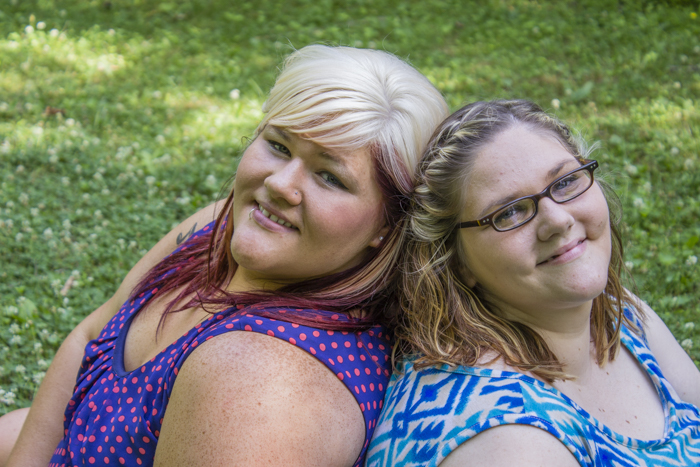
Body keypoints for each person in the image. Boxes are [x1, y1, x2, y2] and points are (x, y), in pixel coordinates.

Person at [0, 44, 448, 467]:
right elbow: (90, 336)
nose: (279, 184)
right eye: (279, 145)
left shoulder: (264, 382)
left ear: (388, 225)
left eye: (330, 177)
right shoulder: (213, 226)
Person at [366, 100, 700, 466]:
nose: (557, 220)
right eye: (509, 212)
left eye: (566, 181)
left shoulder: (622, 317)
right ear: (456, 261)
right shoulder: (509, 441)